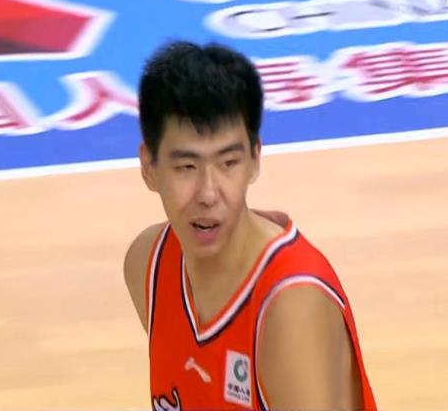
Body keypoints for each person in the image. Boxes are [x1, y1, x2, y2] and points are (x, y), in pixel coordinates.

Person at [124, 41, 376, 410]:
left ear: (255, 159)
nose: (208, 194)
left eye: (228, 163)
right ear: (149, 167)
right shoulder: (147, 264)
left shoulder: (290, 307)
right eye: (186, 167)